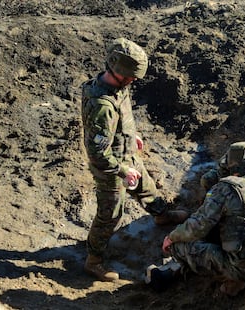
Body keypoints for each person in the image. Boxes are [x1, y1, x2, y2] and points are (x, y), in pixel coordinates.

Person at [81, 37, 188, 282]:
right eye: (132, 76)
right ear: (118, 71)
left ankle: (161, 214)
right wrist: (122, 171)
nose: (135, 81)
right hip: (110, 166)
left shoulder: (118, 85)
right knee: (110, 214)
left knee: (147, 187)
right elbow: (98, 153)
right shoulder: (101, 105)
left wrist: (131, 135)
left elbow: (121, 116)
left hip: (125, 151)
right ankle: (93, 260)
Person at [161, 141, 245, 296]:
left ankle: (231, 279)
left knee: (179, 246)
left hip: (243, 269)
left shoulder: (227, 188)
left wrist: (171, 238)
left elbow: (197, 227)